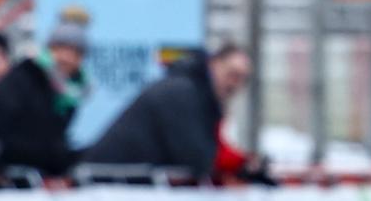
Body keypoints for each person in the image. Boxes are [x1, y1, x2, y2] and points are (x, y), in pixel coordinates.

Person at [84, 43, 268, 182]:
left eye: (242, 79)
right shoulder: (183, 93)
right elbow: (195, 155)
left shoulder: (196, 94)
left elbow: (208, 149)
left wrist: (241, 163)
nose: (234, 84)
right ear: (214, 64)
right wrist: (237, 166)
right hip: (109, 184)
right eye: (232, 74)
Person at [0, 19, 89, 177]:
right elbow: (4, 134)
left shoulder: (71, 93)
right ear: (48, 49)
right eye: (60, 49)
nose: (66, 57)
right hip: (12, 174)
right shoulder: (24, 78)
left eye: (75, 52)